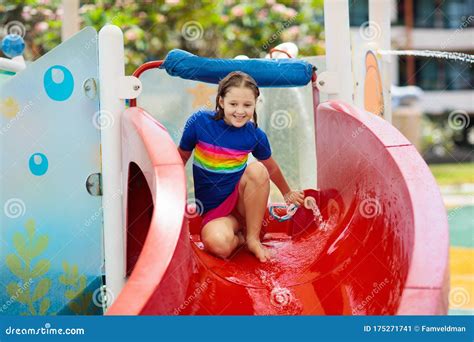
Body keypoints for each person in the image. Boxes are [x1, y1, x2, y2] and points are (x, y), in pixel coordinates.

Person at [178, 71, 304, 262]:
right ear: (221, 102)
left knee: (257, 169)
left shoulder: (254, 135)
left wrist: (287, 193)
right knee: (219, 245)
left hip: (244, 205)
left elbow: (270, 168)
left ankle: (253, 238)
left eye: (247, 105)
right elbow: (180, 159)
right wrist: (169, 197)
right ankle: (241, 237)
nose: (240, 111)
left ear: (255, 104)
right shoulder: (199, 123)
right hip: (214, 211)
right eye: (233, 104)